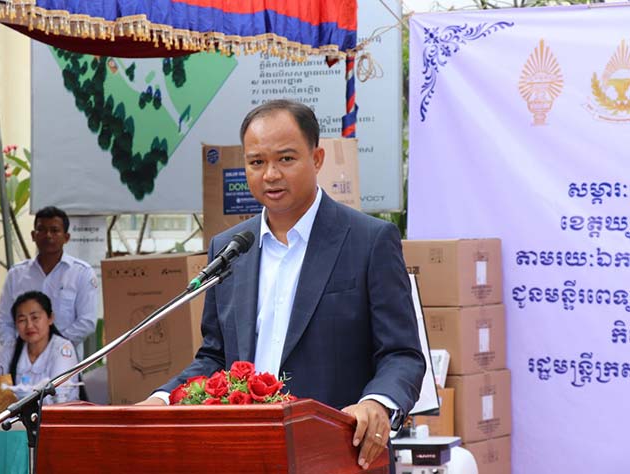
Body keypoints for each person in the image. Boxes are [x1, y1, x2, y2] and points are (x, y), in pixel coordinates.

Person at [140, 100, 426, 470]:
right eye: (256, 162)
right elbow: (215, 358)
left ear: (317, 158)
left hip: (338, 455)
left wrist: (376, 403)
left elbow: (402, 354)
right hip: (246, 454)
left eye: (286, 159)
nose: (271, 174)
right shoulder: (230, 250)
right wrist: (163, 399)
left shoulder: (368, 241)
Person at [0, 206, 98, 357]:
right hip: (23, 359)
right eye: (42, 230)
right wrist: (15, 350)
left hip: (65, 360)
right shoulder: (16, 274)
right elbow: (5, 321)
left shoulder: (81, 273)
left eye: (55, 230)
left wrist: (52, 346)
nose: (48, 235)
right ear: (33, 235)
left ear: (66, 237)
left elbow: (87, 322)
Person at [0, 291, 79, 405]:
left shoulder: (63, 348)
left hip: (57, 415)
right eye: (22, 320)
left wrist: (10, 396)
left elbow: (57, 396)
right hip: (18, 416)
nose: (29, 325)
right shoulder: (10, 349)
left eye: (35, 318)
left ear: (50, 318)